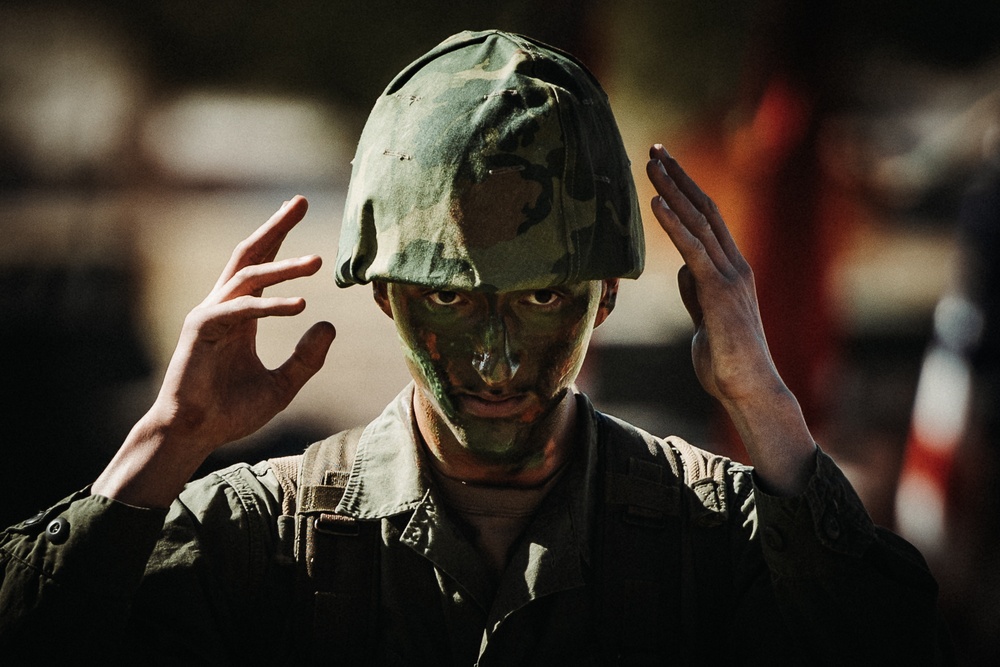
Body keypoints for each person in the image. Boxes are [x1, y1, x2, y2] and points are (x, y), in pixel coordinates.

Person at [0, 29, 949, 665]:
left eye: (541, 297)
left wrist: (768, 411)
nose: (496, 362)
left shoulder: (714, 532)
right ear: (384, 295)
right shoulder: (268, 538)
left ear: (606, 296)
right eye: (450, 303)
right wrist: (166, 438)